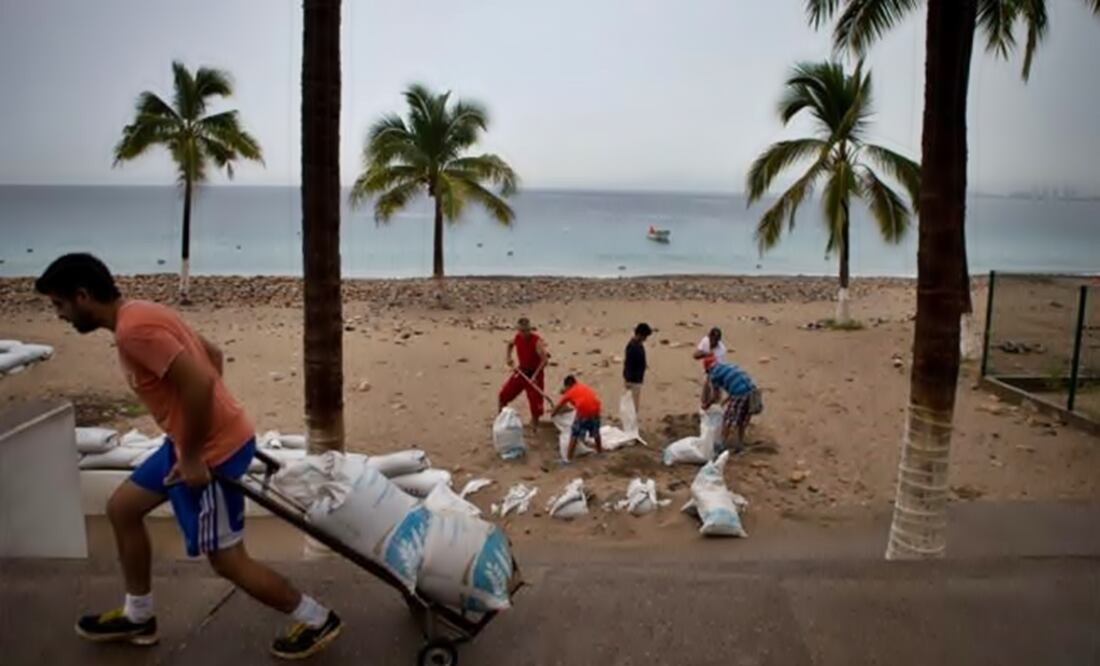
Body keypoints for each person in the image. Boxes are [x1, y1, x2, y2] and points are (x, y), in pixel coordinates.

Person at [35, 254, 340, 660]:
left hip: (209, 454)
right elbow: (211, 356)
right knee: (123, 508)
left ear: (83, 296)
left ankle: (318, 618)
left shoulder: (134, 332)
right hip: (186, 443)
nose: (60, 315)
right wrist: (201, 426)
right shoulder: (141, 311)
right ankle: (139, 615)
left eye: (59, 305)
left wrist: (199, 453)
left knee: (228, 560)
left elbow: (198, 381)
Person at [701, 354, 763, 454]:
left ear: (708, 369)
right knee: (742, 420)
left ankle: (721, 445)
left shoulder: (714, 375)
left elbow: (716, 396)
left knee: (727, 419)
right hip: (752, 391)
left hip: (739, 394)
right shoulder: (728, 366)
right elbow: (734, 385)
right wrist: (725, 402)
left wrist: (707, 405)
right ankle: (740, 444)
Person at [498, 317, 550, 430]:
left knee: (535, 405)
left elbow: (545, 360)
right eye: (522, 331)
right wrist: (508, 357)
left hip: (535, 374)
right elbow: (510, 344)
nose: (524, 333)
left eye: (526, 330)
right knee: (503, 395)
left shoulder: (537, 341)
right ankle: (500, 420)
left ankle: (534, 426)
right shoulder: (517, 338)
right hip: (522, 372)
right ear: (518, 330)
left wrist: (535, 376)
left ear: (530, 329)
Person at [551, 375, 603, 462]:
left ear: (567, 386)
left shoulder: (569, 393)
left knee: (574, 433)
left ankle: (568, 459)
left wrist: (552, 414)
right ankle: (600, 452)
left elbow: (559, 406)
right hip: (596, 409)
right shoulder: (582, 386)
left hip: (584, 412)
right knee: (595, 432)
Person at [623, 322, 652, 412]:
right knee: (633, 407)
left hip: (635, 379)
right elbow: (628, 363)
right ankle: (631, 425)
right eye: (645, 336)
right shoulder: (633, 346)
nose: (645, 339)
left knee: (633, 405)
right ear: (640, 334)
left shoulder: (637, 345)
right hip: (633, 380)